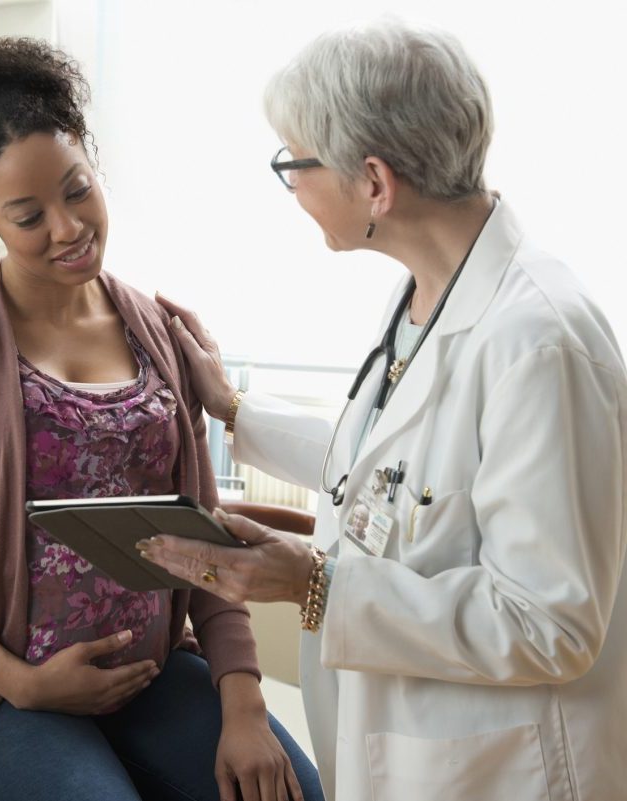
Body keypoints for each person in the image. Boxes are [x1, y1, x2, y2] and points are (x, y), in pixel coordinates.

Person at [139, 18, 627, 801]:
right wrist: (233, 409)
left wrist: (315, 584)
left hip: (506, 773)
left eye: (294, 162)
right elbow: (399, 472)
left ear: (374, 182)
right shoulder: (429, 294)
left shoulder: (539, 342)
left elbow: (551, 623)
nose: (292, 188)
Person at [0, 37, 323, 801]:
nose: (68, 228)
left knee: (298, 793)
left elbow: (204, 534)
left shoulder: (156, 329)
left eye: (77, 191)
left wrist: (243, 704)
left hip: (149, 672)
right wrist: (20, 680)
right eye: (28, 215)